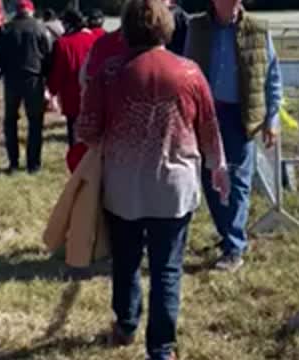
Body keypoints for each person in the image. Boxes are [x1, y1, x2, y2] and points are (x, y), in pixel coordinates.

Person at [75, 0, 230, 359]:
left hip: (122, 188)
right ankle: (161, 349)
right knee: (167, 269)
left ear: (126, 28)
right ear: (167, 27)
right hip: (174, 189)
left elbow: (86, 130)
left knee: (126, 262)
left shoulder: (109, 73)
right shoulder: (189, 72)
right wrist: (217, 167)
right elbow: (209, 128)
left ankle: (126, 324)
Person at [184, 0, 283, 271]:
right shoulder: (197, 28)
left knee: (239, 180)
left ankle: (234, 247)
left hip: (241, 116)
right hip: (206, 115)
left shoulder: (258, 30)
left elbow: (272, 76)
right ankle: (227, 231)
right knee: (210, 178)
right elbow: (186, 73)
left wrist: (272, 119)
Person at [0, 0, 52, 174]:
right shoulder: (40, 28)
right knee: (35, 122)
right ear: (31, 11)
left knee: (10, 122)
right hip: (34, 80)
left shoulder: (5, 29)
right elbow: (48, 56)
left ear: (16, 11)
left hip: (12, 80)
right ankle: (33, 164)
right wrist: (49, 83)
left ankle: (13, 163)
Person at [47, 8, 97, 147]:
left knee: (73, 132)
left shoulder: (62, 43)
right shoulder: (93, 39)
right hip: (92, 94)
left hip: (71, 95)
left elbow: (58, 71)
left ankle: (75, 162)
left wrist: (52, 90)